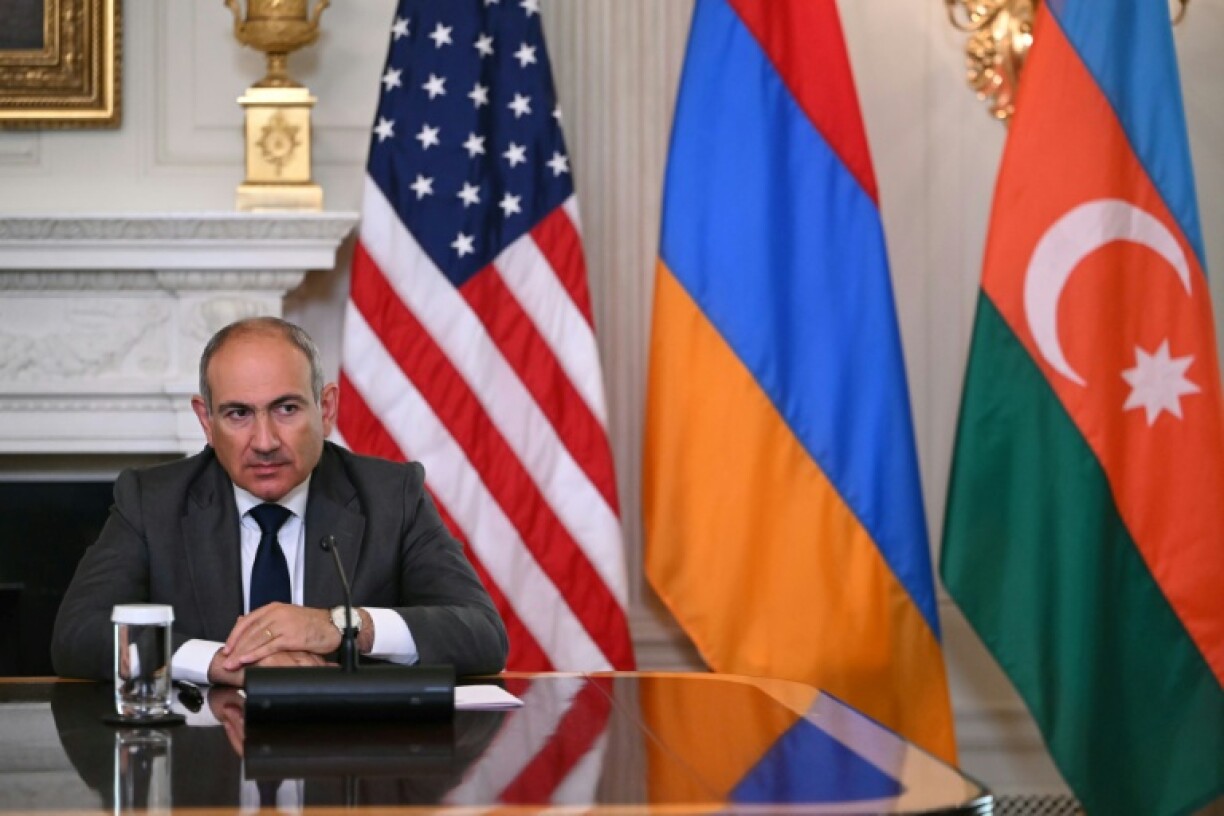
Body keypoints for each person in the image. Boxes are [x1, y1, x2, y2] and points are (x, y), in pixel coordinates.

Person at [51, 317, 508, 685]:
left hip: (346, 768)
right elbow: (77, 635)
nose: (264, 441)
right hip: (204, 767)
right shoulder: (152, 501)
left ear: (325, 409)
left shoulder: (392, 496)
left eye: (286, 409)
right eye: (238, 414)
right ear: (206, 421)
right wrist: (220, 662)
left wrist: (343, 625)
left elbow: (482, 635)